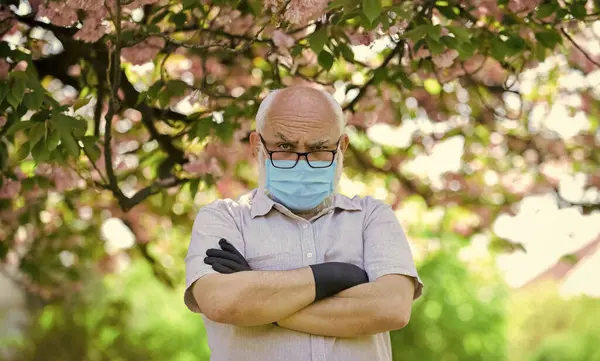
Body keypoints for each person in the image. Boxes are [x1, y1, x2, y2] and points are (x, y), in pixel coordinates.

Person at [184, 85, 423, 361]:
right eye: (284, 146)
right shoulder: (223, 219)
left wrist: (263, 304)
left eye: (319, 148)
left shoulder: (372, 217)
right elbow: (222, 303)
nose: (302, 161)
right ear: (256, 145)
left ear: (342, 147)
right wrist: (335, 275)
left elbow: (391, 308)